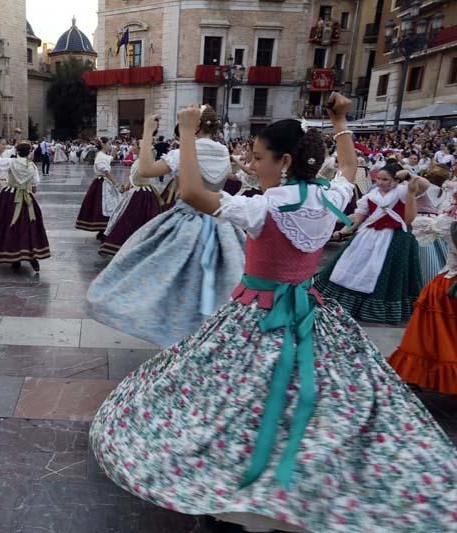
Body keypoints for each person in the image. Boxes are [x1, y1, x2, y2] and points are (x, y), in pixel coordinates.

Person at [90, 94, 457, 532]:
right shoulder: (329, 194)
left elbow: (191, 192)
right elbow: (348, 170)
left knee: (234, 394)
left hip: (257, 316)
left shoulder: (263, 207)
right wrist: (340, 119)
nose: (252, 162)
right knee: (300, 398)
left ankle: (237, 492)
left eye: (259, 157)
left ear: (284, 160)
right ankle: (289, 484)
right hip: (310, 315)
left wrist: (186, 132)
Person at [88, 108, 244, 346]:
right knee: (209, 282)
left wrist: (148, 132)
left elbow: (146, 170)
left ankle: (176, 329)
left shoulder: (184, 152)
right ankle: (203, 331)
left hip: (186, 223)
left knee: (165, 274)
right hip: (220, 225)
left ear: (196, 127)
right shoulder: (223, 151)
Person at [315, 162, 427, 324]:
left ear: (395, 180)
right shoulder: (370, 196)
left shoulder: (403, 192)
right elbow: (357, 219)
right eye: (378, 179)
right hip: (367, 237)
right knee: (350, 266)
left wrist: (409, 175)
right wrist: (342, 231)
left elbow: (424, 185)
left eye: (385, 179)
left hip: (394, 240)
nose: (380, 182)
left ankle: (379, 309)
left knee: (385, 275)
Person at [389, 212, 457, 393]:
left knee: (432, 334)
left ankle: (428, 373)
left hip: (449, 286)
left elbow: (414, 222)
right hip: (450, 284)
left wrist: (414, 192)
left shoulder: (448, 224)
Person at [0, 138, 49, 273]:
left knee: (8, 224)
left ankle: (14, 258)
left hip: (9, 197)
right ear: (29, 152)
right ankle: (32, 257)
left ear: (17, 151)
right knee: (28, 226)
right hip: (26, 198)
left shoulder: (11, 162)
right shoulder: (32, 166)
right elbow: (34, 188)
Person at [97, 140, 161, 257]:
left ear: (140, 148)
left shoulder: (144, 162)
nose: (132, 147)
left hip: (141, 195)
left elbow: (137, 178)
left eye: (134, 145)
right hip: (138, 192)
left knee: (131, 219)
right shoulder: (139, 161)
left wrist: (125, 187)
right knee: (126, 218)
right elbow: (133, 179)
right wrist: (123, 188)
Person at [76, 138, 120, 240]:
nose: (110, 146)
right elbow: (106, 172)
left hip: (104, 183)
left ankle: (103, 230)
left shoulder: (103, 155)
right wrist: (116, 183)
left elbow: (110, 159)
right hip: (102, 183)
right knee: (103, 206)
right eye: (109, 144)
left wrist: (116, 149)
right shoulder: (100, 156)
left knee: (107, 206)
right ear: (103, 145)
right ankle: (103, 231)